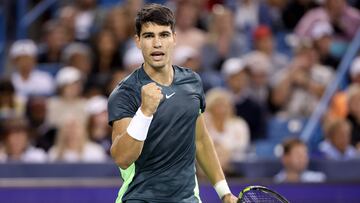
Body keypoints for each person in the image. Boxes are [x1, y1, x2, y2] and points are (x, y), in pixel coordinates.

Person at [108, 4, 238, 203]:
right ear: (138, 41)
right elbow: (122, 158)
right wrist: (144, 112)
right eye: (149, 36)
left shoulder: (192, 81)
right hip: (139, 198)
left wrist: (225, 192)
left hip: (187, 199)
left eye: (164, 35)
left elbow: (201, 140)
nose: (157, 43)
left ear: (174, 39)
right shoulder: (125, 93)